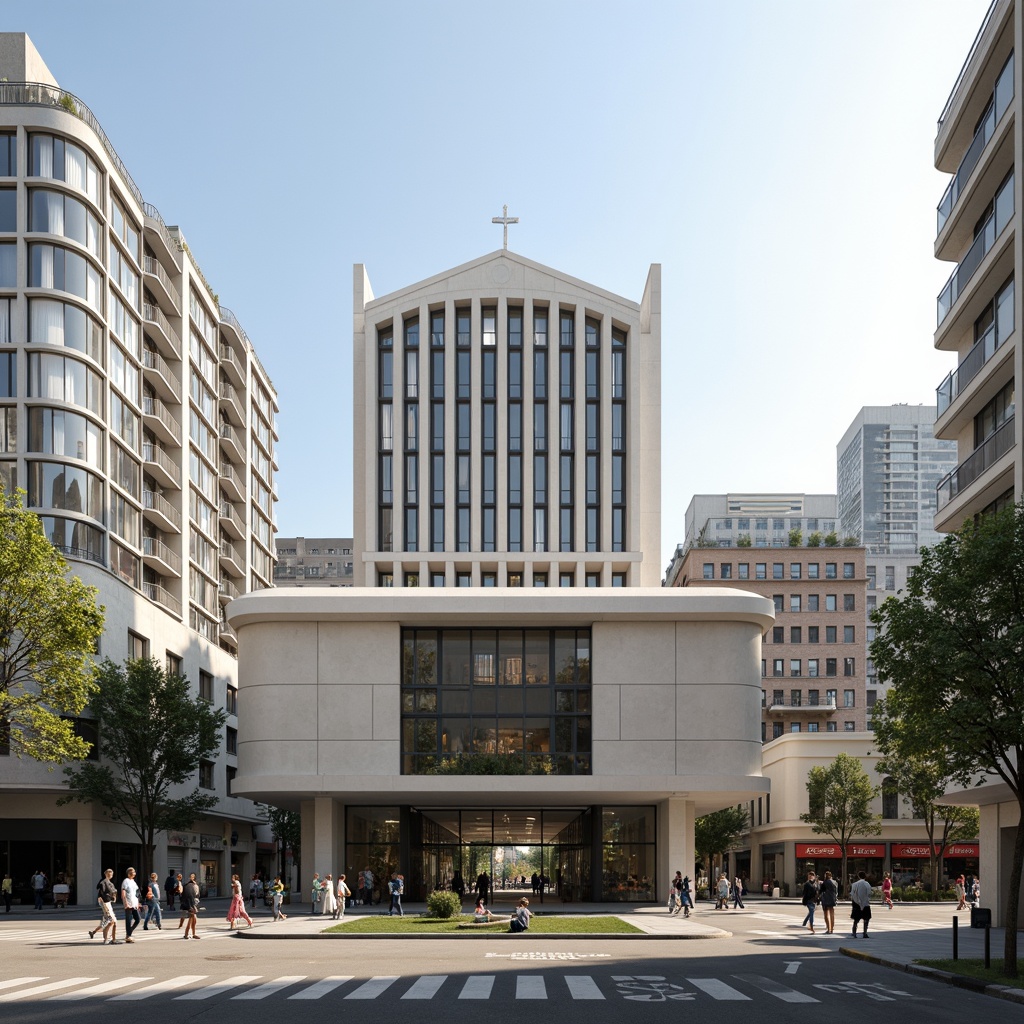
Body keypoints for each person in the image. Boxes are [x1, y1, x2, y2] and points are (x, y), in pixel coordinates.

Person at [90, 868, 118, 944]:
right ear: (106, 874)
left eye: (111, 874)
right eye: (110, 873)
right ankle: (106, 939)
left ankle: (113, 939)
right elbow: (102, 892)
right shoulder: (104, 882)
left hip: (108, 903)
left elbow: (114, 891)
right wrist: (111, 897)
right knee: (111, 921)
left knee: (114, 922)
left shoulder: (110, 883)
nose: (111, 875)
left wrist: (113, 896)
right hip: (105, 903)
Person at [121, 867, 141, 943]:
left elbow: (137, 893)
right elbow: (123, 892)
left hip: (134, 903)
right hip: (129, 903)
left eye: (135, 872)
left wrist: (138, 903)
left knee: (138, 919)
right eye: (133, 872)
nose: (135, 873)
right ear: (129, 873)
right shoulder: (126, 881)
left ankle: (129, 932)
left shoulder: (133, 882)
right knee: (128, 920)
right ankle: (128, 936)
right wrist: (125, 903)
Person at [850, 870, 873, 938]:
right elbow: (869, 894)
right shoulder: (867, 884)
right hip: (866, 904)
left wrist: (856, 901)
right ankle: (865, 933)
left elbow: (852, 894)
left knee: (856, 920)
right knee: (866, 919)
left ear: (858, 876)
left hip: (856, 904)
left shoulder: (854, 884)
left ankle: (854, 933)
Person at [181, 872, 201, 939]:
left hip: (188, 904)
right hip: (191, 904)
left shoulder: (186, 885)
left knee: (193, 919)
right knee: (191, 919)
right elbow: (196, 896)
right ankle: (187, 934)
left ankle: (191, 934)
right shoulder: (194, 886)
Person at [819, 870, 838, 934]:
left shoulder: (824, 883)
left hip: (825, 899)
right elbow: (836, 892)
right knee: (832, 914)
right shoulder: (835, 882)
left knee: (826, 914)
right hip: (832, 899)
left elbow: (821, 891)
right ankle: (832, 929)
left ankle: (828, 928)